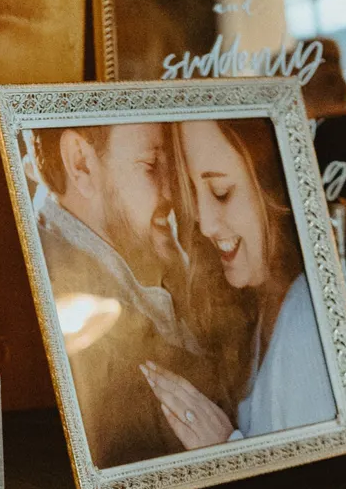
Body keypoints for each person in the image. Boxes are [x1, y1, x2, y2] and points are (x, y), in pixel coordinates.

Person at [30, 121, 238, 465]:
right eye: (151, 165)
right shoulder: (72, 319)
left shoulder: (162, 258)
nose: (172, 193)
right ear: (81, 164)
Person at [144, 118, 335, 443]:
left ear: (273, 186)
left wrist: (222, 446)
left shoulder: (307, 321)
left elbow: (316, 471)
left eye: (221, 193)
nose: (204, 223)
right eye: (193, 191)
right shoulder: (265, 303)